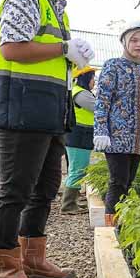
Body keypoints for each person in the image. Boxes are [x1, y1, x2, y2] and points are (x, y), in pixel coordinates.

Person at [0, 0, 94, 278]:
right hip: (21, 109)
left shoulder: (53, 5)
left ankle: (32, 259)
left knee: (45, 189)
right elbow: (13, 48)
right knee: (15, 192)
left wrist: (67, 52)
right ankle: (6, 272)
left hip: (47, 112)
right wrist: (64, 48)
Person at [94, 21, 140, 227]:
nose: (139, 45)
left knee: (128, 183)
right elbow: (102, 100)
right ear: (124, 42)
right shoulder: (113, 66)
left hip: (139, 139)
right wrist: (101, 130)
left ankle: (121, 223)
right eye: (134, 40)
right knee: (118, 181)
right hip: (116, 137)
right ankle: (110, 228)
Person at [62, 66, 97, 215]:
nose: (94, 81)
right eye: (92, 78)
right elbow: (99, 108)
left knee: (78, 169)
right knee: (77, 170)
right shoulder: (81, 94)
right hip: (79, 136)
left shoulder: (81, 92)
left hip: (81, 136)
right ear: (85, 79)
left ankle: (73, 201)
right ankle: (68, 205)